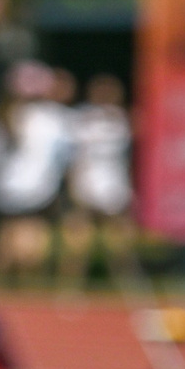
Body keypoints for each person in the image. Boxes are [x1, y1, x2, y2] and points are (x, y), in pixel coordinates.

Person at [0, 60, 68, 283]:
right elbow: (67, 155)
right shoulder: (53, 118)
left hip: (3, 193)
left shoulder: (0, 117)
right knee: (29, 251)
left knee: (5, 245)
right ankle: (24, 305)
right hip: (37, 194)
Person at [58, 72, 136, 291]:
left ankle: (126, 288)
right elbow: (73, 155)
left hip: (113, 186)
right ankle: (69, 289)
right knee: (77, 241)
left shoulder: (124, 120)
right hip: (86, 184)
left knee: (119, 242)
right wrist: (73, 185)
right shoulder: (81, 120)